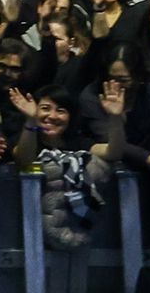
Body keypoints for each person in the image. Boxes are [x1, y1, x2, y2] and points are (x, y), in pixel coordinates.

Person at [10, 80, 128, 251]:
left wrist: (116, 118)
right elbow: (24, 159)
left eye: (61, 111)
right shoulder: (26, 140)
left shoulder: (78, 143)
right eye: (44, 108)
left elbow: (114, 152)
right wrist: (30, 121)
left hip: (78, 234)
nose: (52, 116)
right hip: (30, 238)